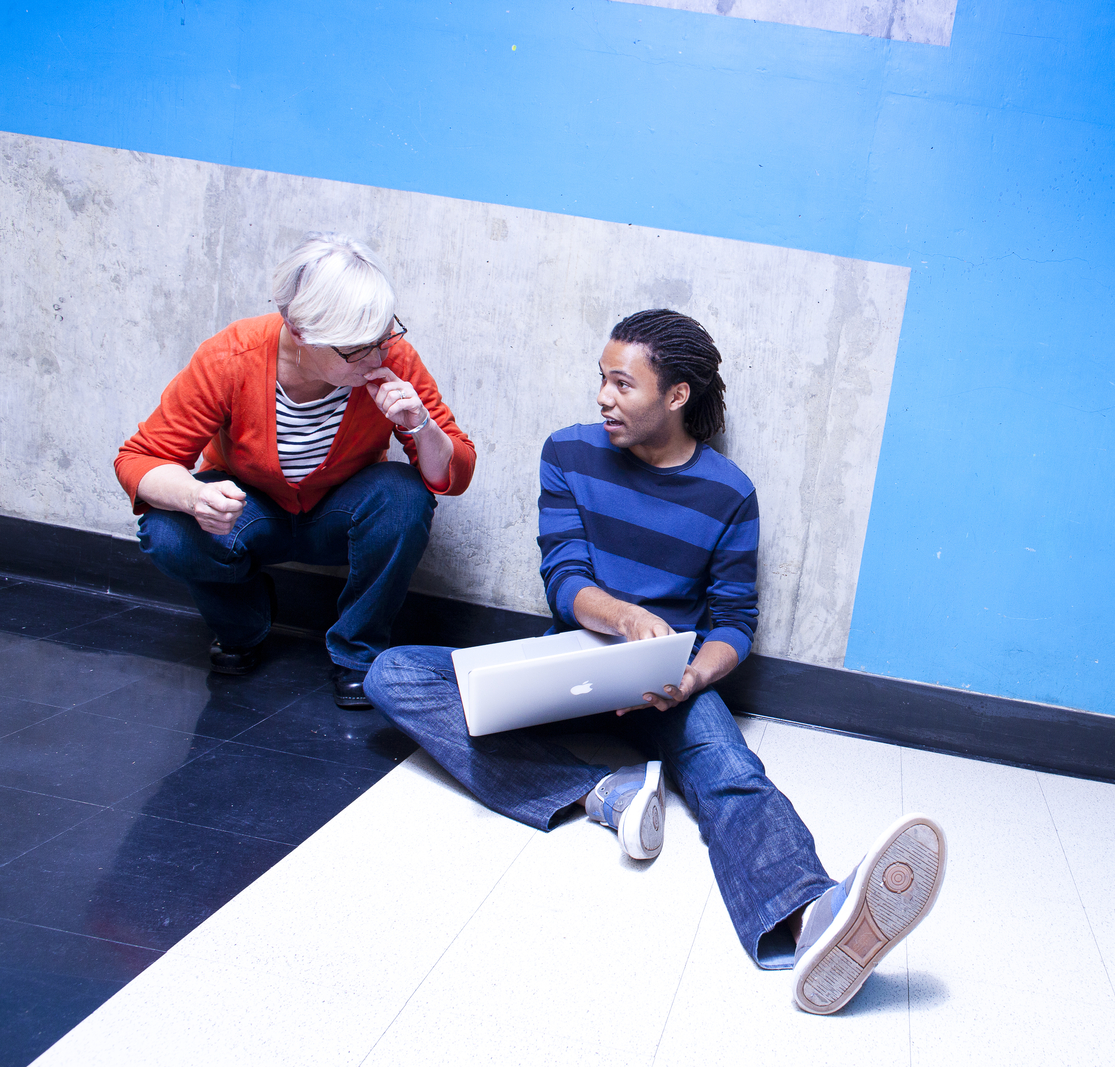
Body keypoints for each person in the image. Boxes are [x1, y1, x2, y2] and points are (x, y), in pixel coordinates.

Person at [365, 309, 946, 1015]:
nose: (603, 397)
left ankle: (813, 918)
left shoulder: (729, 493)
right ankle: (602, 793)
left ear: (676, 396)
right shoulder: (568, 453)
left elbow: (735, 621)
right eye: (601, 380)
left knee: (732, 776)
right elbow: (565, 577)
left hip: (673, 685)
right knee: (393, 673)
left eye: (622, 383)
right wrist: (625, 619)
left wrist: (693, 675)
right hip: (571, 664)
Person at [115, 232, 476, 708]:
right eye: (353, 349)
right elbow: (139, 458)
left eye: (382, 338)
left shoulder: (392, 359)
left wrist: (422, 425)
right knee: (166, 529)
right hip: (250, 513)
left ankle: (359, 653)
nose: (374, 358)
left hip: (337, 515)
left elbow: (455, 473)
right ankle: (242, 627)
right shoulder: (232, 358)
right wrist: (194, 497)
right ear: (300, 331)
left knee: (403, 495)